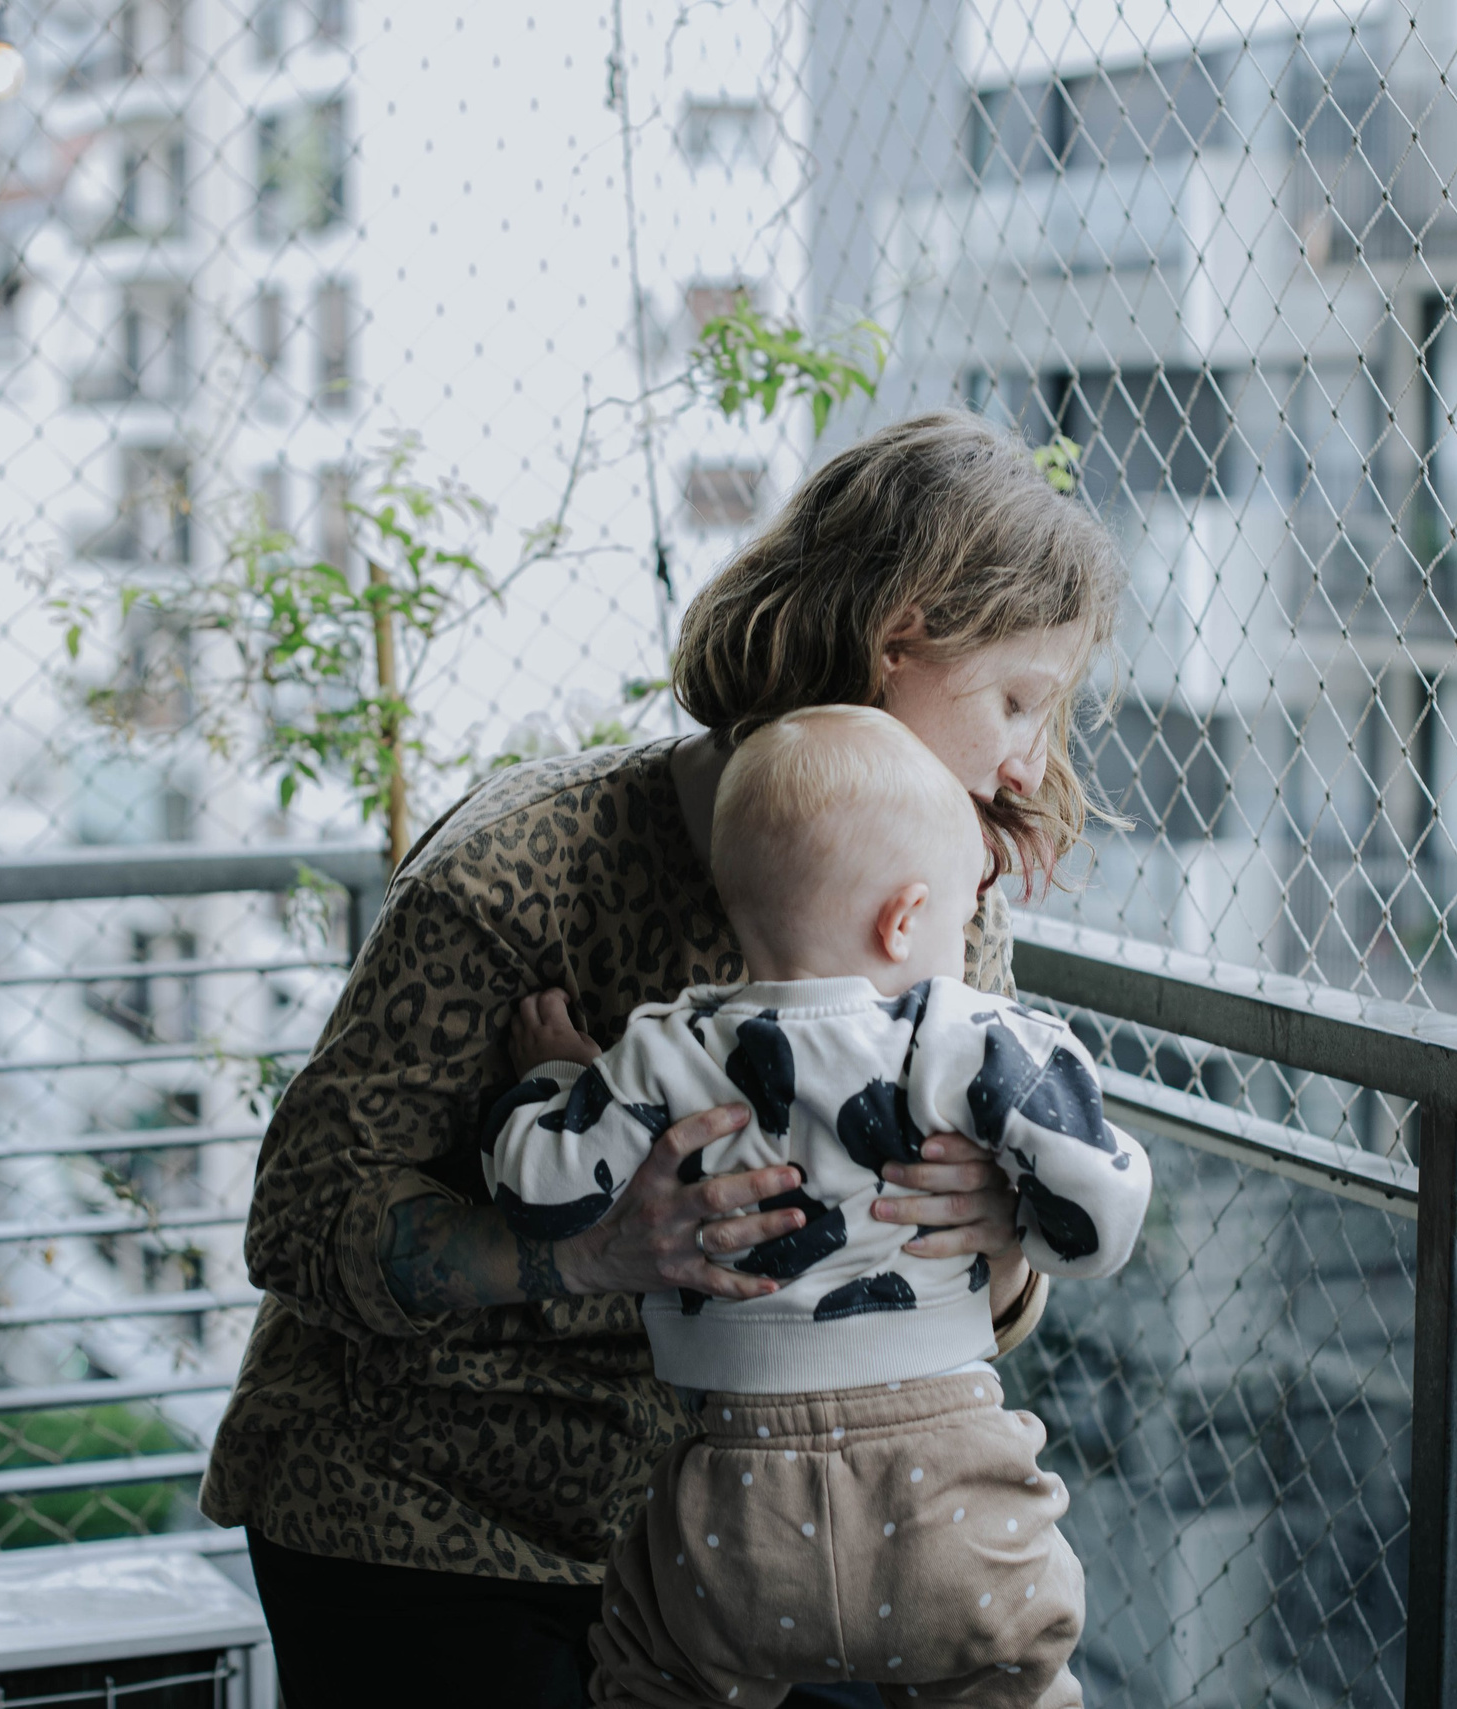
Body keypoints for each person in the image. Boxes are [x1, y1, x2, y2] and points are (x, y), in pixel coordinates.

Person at [197, 411, 1124, 1706]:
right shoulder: (525, 865)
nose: (1029, 759)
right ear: (897, 643)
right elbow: (299, 1218)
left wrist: (1002, 1231)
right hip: (425, 1516)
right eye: (1016, 699)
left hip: (756, 1540)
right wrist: (586, 1251)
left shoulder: (937, 895)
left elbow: (988, 1302)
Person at [486, 705, 1152, 1709]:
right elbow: (1101, 1212)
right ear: (905, 918)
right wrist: (1018, 1211)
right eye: (959, 922)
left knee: (654, 1677)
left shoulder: (670, 1045)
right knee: (1013, 1677)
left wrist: (552, 1079)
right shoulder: (970, 1036)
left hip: (736, 1508)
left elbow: (538, 1184)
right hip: (951, 1498)